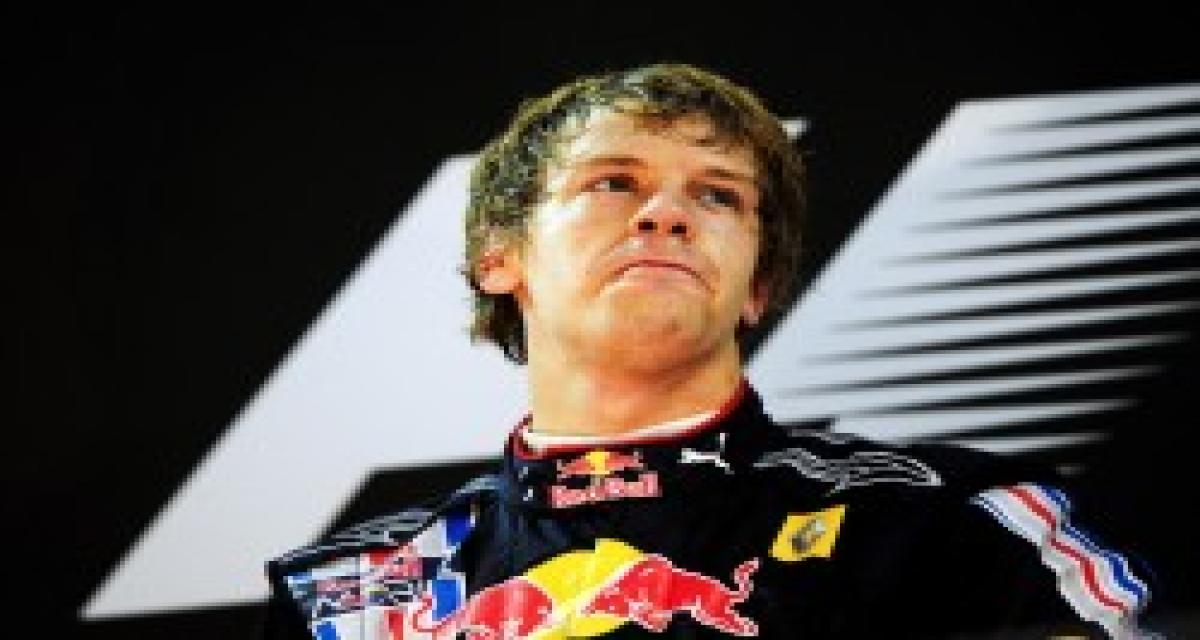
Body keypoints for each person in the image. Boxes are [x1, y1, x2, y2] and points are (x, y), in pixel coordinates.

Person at [261, 63, 1159, 639]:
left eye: (719, 195)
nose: (666, 214)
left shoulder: (953, 523)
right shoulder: (349, 598)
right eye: (614, 183)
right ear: (499, 256)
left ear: (759, 285)